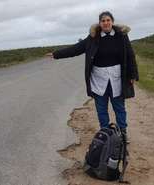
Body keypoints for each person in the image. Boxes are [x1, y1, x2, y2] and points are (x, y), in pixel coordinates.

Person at [46, 11, 139, 142]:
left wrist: (133, 75)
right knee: (101, 109)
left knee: (119, 107)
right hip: (98, 80)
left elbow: (130, 55)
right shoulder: (93, 38)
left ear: (112, 22)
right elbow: (76, 49)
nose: (106, 23)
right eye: (103, 21)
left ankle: (122, 134)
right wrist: (56, 54)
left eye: (108, 20)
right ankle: (105, 134)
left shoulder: (121, 36)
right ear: (100, 23)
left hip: (117, 79)